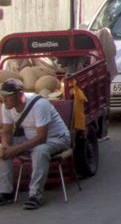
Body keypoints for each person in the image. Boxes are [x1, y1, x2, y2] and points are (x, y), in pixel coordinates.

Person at [0, 77, 70, 209]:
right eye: (2, 96)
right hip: (30, 138)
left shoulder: (39, 104)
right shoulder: (6, 106)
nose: (4, 99)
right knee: (1, 150)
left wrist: (15, 150)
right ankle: (5, 192)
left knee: (40, 150)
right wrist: (5, 146)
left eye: (8, 96)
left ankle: (35, 195)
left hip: (57, 138)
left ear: (20, 94)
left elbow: (41, 138)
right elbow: (7, 130)